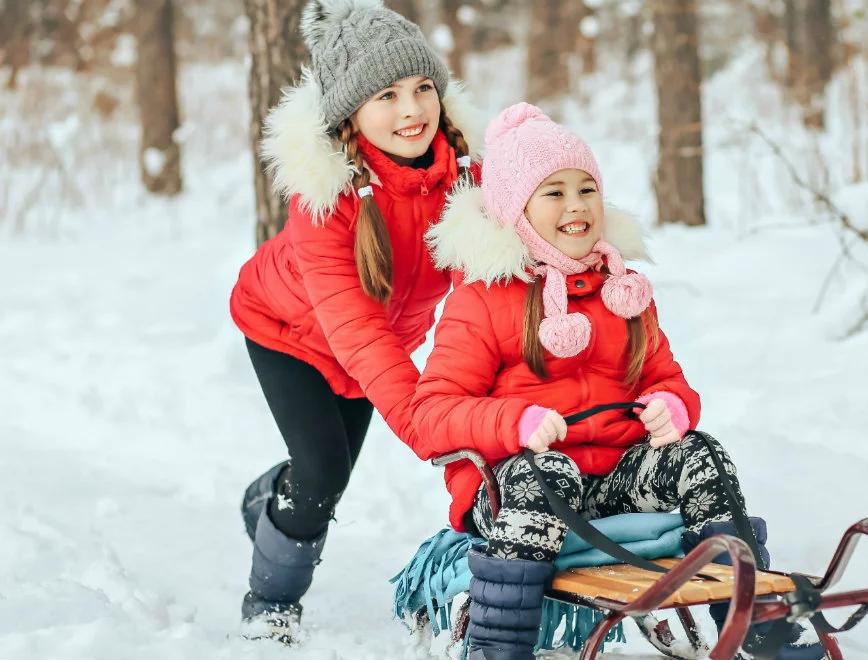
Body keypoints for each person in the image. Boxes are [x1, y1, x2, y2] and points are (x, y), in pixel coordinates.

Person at [408, 103, 826, 660]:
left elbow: (669, 380)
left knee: (701, 454)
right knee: (547, 471)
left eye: (587, 189)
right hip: (514, 491)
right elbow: (431, 413)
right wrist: (515, 422)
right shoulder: (481, 300)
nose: (576, 206)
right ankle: (498, 646)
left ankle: (754, 620)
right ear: (515, 208)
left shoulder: (624, 292)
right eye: (553, 193)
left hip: (612, 480)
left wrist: (672, 407)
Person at [227, 0, 480, 641]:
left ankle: (268, 498)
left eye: (424, 88)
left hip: (377, 345)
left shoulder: (465, 177)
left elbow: (489, 293)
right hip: (286, 332)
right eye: (387, 95)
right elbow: (355, 326)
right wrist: (427, 423)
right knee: (323, 476)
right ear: (351, 113)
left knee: (321, 480)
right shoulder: (326, 197)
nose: (412, 110)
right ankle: (271, 602)